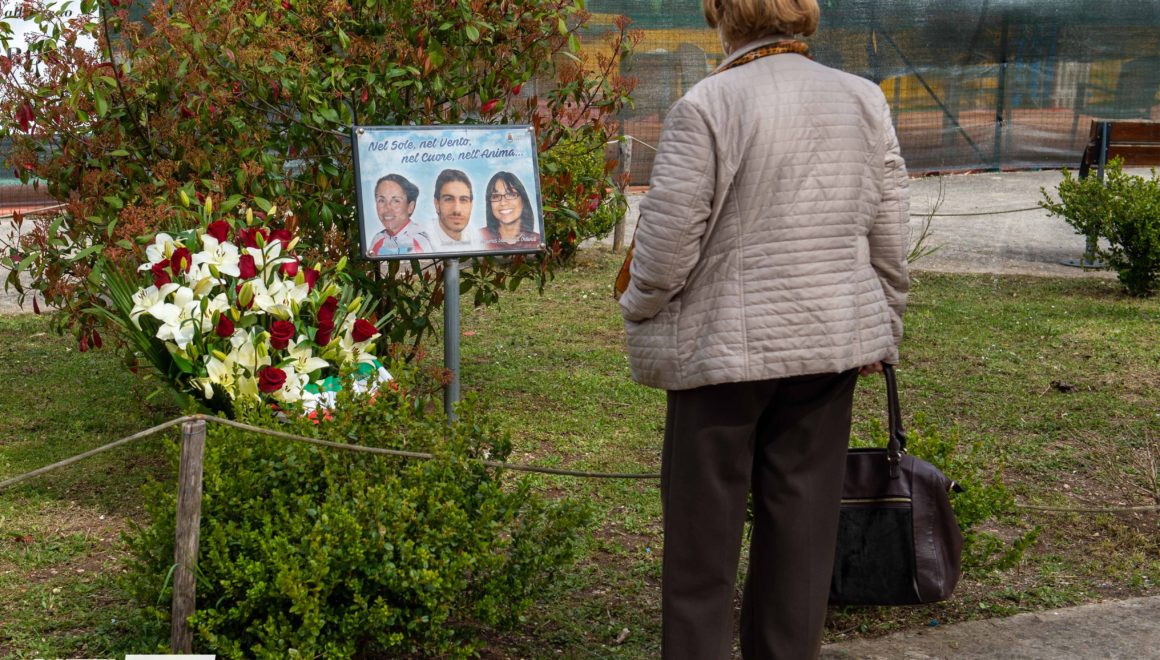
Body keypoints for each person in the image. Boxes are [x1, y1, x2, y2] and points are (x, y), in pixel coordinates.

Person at [617, 0, 910, 658]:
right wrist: (884, 325)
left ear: (724, 15)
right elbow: (889, 235)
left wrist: (637, 304)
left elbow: (665, 251)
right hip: (829, 345)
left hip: (720, 354)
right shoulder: (864, 100)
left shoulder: (707, 104)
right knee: (802, 538)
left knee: (701, 545)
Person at [367, 174, 433, 256]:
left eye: (396, 201)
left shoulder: (421, 240)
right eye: (381, 200)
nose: (387, 207)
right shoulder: (378, 239)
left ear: (410, 207)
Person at [481, 171, 541, 249]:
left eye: (511, 194)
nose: (503, 203)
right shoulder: (479, 237)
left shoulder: (537, 242)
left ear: (523, 200)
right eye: (496, 196)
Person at [428, 169, 480, 251]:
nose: (457, 210)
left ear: (471, 205)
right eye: (449, 199)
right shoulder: (424, 240)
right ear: (437, 204)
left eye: (463, 200)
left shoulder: (474, 235)